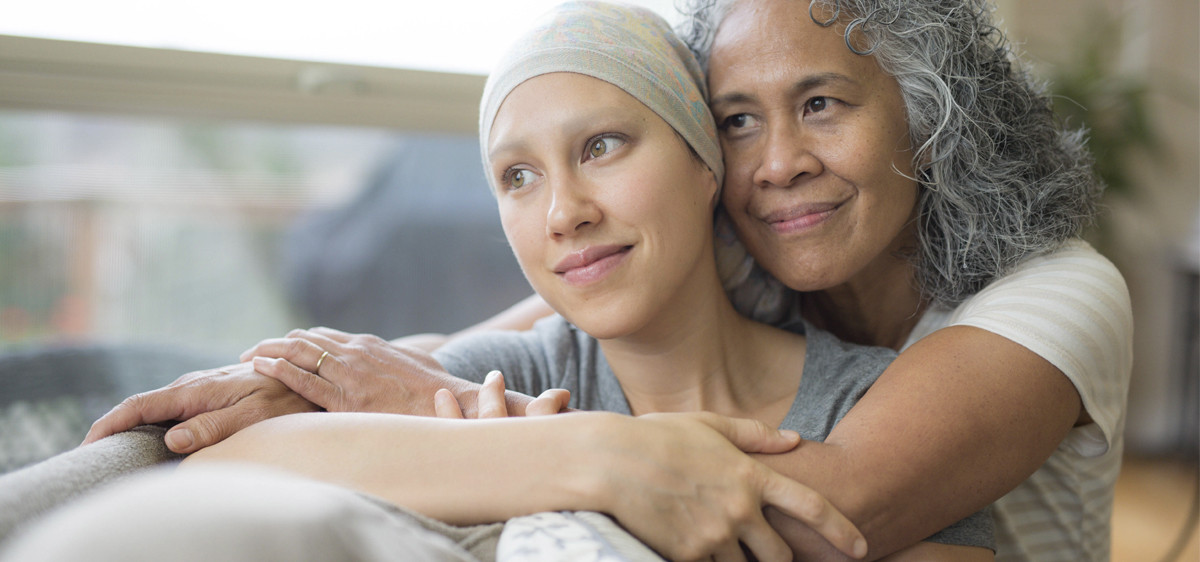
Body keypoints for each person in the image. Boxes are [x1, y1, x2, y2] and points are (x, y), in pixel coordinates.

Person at [81, 0, 1133, 559]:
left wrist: (549, 450)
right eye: (737, 118)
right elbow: (494, 335)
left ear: (929, 118)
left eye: (821, 104)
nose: (776, 164)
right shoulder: (744, 252)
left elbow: (829, 510)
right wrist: (305, 377)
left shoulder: (1057, 292)